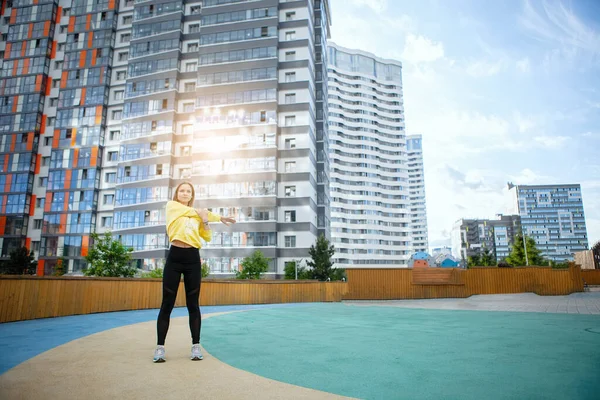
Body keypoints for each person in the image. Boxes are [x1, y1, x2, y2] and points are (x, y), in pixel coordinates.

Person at [153, 182, 235, 363]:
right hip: (174, 256)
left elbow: (207, 236)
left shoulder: (198, 215)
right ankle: (160, 347)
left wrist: (207, 220)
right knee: (167, 302)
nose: (184, 193)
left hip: (192, 258)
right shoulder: (172, 207)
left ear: (191, 195)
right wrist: (214, 216)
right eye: (182, 190)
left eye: (188, 191)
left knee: (193, 303)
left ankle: (196, 346)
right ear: (177, 194)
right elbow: (195, 212)